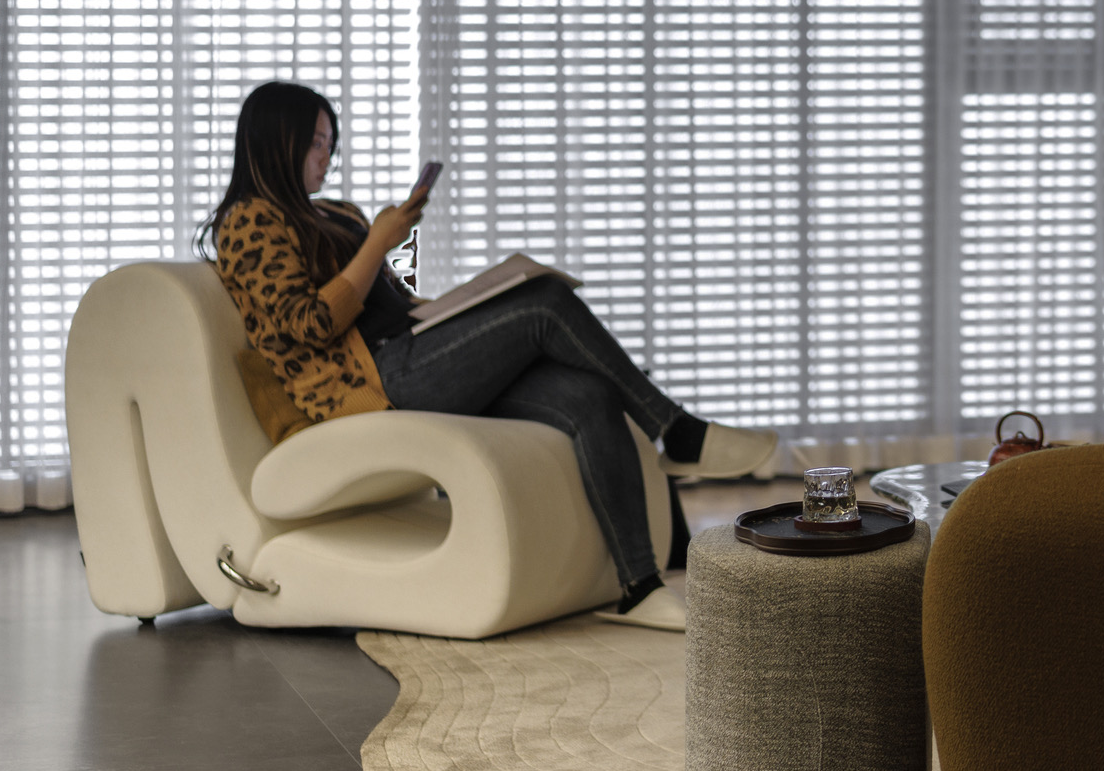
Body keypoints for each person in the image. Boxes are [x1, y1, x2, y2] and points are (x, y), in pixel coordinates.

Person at [200, 81, 777, 631]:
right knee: (545, 302)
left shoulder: (338, 214)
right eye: (315, 143)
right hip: (372, 380)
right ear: (276, 141)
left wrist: (463, 306)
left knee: (590, 395)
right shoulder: (250, 220)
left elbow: (394, 304)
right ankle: (676, 431)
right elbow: (308, 325)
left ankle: (639, 586)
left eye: (330, 142)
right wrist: (378, 242)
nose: (327, 156)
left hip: (410, 350)